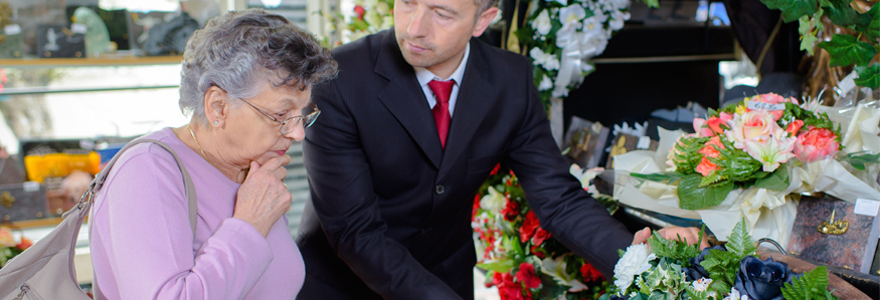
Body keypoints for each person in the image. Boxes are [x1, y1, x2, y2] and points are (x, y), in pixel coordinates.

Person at [296, 0, 707, 299]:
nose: (415, 27)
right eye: (407, 2)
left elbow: (558, 199)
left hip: (444, 275)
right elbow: (354, 232)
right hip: (340, 284)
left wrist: (635, 259)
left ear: (483, 19)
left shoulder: (510, 80)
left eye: (441, 12)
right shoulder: (338, 80)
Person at [89, 9, 337, 299]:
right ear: (218, 107)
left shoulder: (253, 170)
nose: (298, 133)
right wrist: (250, 223)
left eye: (302, 113)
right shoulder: (145, 171)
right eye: (281, 114)